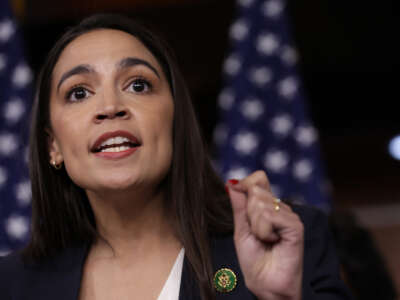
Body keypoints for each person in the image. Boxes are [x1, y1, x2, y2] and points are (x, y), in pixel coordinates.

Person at [0, 14, 352, 300]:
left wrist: (281, 299)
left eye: (138, 85)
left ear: (175, 119)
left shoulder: (288, 242)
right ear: (53, 146)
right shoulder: (12, 285)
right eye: (79, 93)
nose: (110, 107)